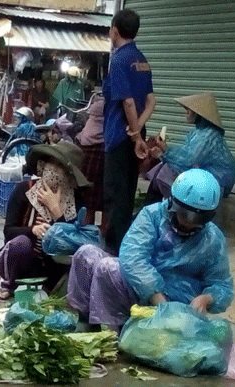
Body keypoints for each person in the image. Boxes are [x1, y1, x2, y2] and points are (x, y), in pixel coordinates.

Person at [67, 169, 234, 332]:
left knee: (108, 267)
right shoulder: (152, 215)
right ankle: (87, 318)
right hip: (144, 291)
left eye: (198, 219)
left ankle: (116, 329)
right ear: (172, 202)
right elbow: (133, 258)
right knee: (87, 254)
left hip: (178, 305)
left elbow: (222, 285)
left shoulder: (212, 238)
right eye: (185, 215)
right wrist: (158, 300)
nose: (189, 223)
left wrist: (207, 298)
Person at [0, 141, 91, 299]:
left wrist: (56, 211)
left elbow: (72, 245)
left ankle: (51, 289)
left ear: (69, 175)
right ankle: (9, 285)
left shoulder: (75, 202)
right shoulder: (24, 189)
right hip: (21, 264)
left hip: (52, 270)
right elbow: (8, 231)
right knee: (21, 243)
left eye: (59, 167)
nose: (52, 169)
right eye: (51, 163)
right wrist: (32, 231)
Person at [102, 9, 156, 256]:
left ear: (114, 31)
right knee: (127, 190)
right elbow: (151, 101)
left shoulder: (120, 59)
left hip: (119, 135)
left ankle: (114, 251)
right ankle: (123, 247)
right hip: (134, 133)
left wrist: (134, 135)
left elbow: (128, 103)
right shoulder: (142, 60)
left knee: (115, 194)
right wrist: (139, 132)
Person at [146, 92, 235, 203]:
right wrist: (164, 151)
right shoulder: (198, 133)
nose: (186, 114)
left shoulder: (208, 135)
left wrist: (165, 153)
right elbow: (186, 155)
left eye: (188, 111)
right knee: (165, 167)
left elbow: (189, 159)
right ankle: (155, 206)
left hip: (218, 181)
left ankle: (153, 206)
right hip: (206, 174)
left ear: (198, 114)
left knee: (167, 170)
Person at [75, 98, 105, 225]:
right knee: (101, 208)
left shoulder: (84, 134)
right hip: (99, 182)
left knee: (86, 209)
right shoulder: (105, 136)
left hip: (84, 180)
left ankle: (84, 229)